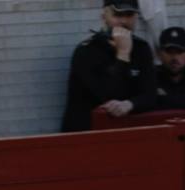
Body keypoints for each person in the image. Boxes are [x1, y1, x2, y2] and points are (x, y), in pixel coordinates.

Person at [62, 0, 157, 132]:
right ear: (104, 17)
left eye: (129, 15)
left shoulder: (141, 49)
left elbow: (151, 95)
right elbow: (107, 95)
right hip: (87, 133)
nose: (123, 21)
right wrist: (123, 54)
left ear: (136, 17)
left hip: (128, 132)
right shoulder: (87, 51)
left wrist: (131, 104)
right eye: (117, 15)